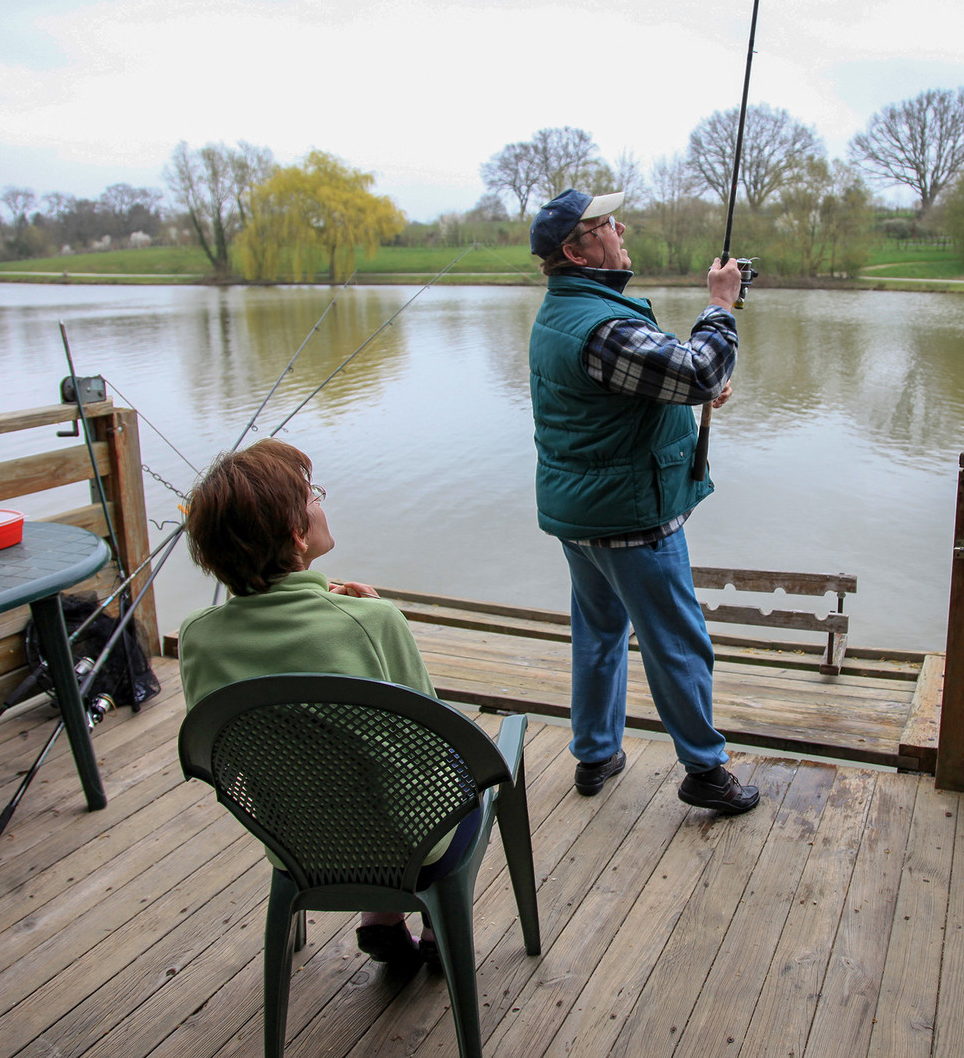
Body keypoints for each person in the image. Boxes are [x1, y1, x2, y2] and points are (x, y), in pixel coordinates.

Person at [178, 438, 474, 969]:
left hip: (297, 848)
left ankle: (381, 919)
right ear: (296, 533)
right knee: (461, 766)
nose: (321, 501)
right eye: (312, 494)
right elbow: (434, 744)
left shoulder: (198, 638)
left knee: (324, 767)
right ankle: (434, 930)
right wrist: (375, 617)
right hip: (410, 852)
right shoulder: (371, 622)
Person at [527, 188, 758, 815]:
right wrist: (720, 306)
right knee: (677, 641)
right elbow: (697, 371)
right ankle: (706, 772)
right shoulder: (604, 325)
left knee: (599, 631)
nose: (620, 226)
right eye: (605, 223)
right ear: (576, 250)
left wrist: (689, 384)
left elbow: (641, 388)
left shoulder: (565, 311)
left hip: (584, 514)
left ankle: (596, 752)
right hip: (632, 516)